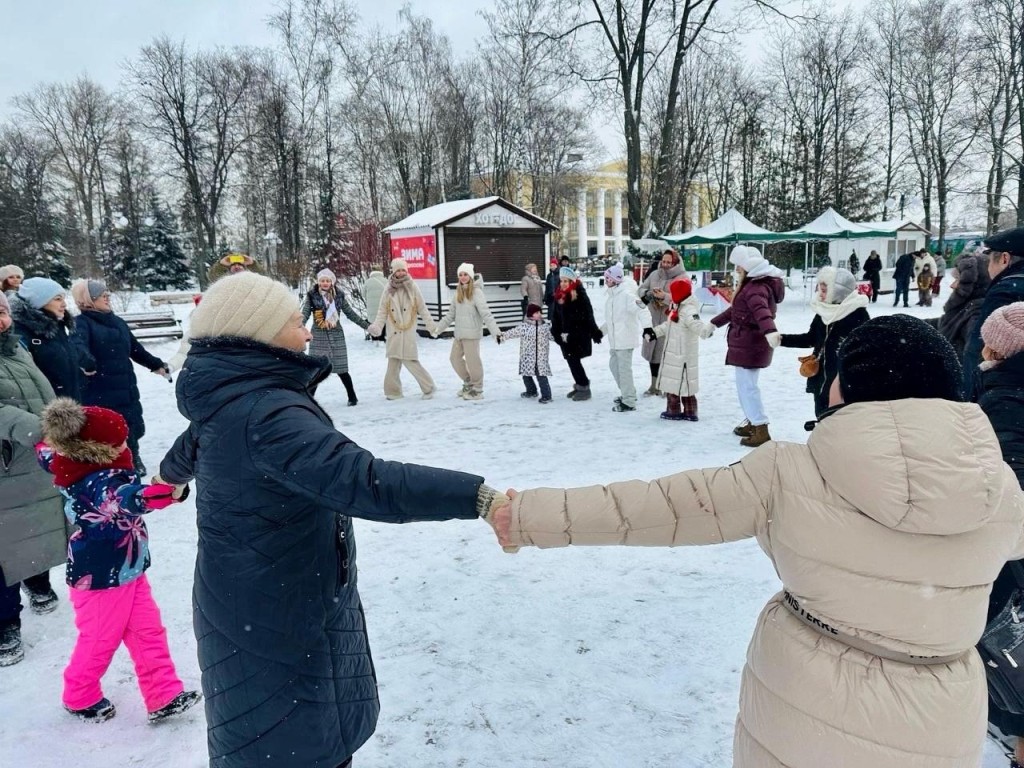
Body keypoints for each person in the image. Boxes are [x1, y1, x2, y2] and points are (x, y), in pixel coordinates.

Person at [492, 314, 1024, 768]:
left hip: (810, 711)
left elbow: (657, 508)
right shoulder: (997, 488)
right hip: (940, 715)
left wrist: (527, 515)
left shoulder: (789, 471)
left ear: (852, 387)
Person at [156, 271, 507, 768]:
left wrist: (170, 478)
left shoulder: (229, 398)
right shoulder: (268, 412)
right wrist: (478, 497)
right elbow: (363, 481)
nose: (305, 332)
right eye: (294, 322)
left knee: (265, 739)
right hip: (282, 613)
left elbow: (189, 447)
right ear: (257, 334)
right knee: (298, 745)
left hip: (243, 599)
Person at [35, 398, 200, 723]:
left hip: (129, 569)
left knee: (148, 631)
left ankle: (163, 693)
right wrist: (166, 492)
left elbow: (47, 454)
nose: (126, 443)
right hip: (97, 578)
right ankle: (78, 695)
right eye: (120, 440)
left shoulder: (68, 459)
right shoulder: (97, 482)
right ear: (98, 449)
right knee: (99, 639)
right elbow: (126, 500)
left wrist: (50, 444)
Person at [0, 291, 66, 665]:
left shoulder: (16, 349)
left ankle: (37, 581)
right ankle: (5, 624)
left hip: (30, 458)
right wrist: (37, 427)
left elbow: (40, 392)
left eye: (3, 312)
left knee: (34, 525)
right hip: (8, 460)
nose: (1, 320)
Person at [972, 303, 1024, 768]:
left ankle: (1017, 735)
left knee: (1006, 636)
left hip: (1012, 545)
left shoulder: (1005, 395)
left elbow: (1008, 481)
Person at [70, 279, 170, 475]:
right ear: (88, 299)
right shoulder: (81, 323)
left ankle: (133, 456)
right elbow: (77, 346)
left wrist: (156, 364)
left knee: (130, 421)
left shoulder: (117, 322)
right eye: (102, 295)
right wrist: (86, 362)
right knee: (107, 426)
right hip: (99, 387)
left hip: (125, 383)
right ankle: (109, 464)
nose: (107, 298)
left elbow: (135, 349)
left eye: (108, 294)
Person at [774, 267, 870, 428]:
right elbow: (811, 339)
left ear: (838, 291)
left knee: (841, 423)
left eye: (825, 290)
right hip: (820, 378)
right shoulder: (823, 312)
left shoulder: (858, 315)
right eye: (820, 289)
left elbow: (865, 351)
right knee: (822, 416)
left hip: (844, 380)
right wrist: (781, 340)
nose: (820, 294)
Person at [711, 246, 785, 448]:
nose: (736, 270)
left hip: (752, 343)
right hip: (746, 342)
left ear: (748, 267)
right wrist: (713, 323)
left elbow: (762, 313)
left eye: (738, 266)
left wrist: (770, 332)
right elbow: (735, 311)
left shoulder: (755, 288)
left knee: (748, 387)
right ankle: (752, 421)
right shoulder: (751, 285)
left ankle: (760, 427)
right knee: (744, 386)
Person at [644, 277, 715, 421]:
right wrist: (654, 332)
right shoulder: (677, 307)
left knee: (685, 382)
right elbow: (668, 325)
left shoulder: (688, 310)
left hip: (683, 355)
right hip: (673, 353)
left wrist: (706, 330)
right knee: (672, 382)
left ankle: (690, 411)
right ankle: (673, 409)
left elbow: (697, 325)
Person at [367, 258, 439, 400]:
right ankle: (393, 392)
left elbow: (422, 308)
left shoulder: (413, 287)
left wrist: (431, 326)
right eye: (398, 270)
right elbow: (382, 311)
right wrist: (377, 327)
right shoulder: (388, 289)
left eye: (403, 270)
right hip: (394, 330)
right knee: (393, 361)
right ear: (393, 272)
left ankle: (429, 387)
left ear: (407, 271)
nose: (400, 273)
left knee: (410, 359)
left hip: (408, 329)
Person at [964, 227, 1024, 396]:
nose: (988, 267)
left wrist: (972, 395)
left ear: (1004, 259)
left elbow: (983, 350)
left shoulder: (1006, 290)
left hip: (1002, 398)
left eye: (990, 260)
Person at [432, 263, 501, 400]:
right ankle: (468, 382)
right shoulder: (458, 292)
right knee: (454, 359)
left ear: (470, 276)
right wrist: (438, 328)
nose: (463, 277)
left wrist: (496, 332)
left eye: (465, 274)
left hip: (472, 334)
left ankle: (478, 389)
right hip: (459, 334)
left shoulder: (476, 292)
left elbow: (486, 314)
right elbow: (450, 315)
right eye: (461, 275)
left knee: (473, 362)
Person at [302, 268, 368, 406]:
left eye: (327, 280)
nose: (325, 283)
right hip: (319, 335)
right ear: (318, 282)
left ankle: (352, 397)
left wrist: (367, 326)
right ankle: (309, 400)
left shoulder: (339, 296)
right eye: (322, 281)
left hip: (336, 335)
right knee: (317, 369)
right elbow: (305, 314)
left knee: (341, 368)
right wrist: (296, 328)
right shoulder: (312, 296)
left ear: (332, 282)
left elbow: (350, 314)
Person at [10, 277, 82, 401]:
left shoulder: (57, 326)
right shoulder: (19, 332)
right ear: (39, 302)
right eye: (58, 299)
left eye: (63, 298)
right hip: (46, 411)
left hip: (69, 405)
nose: (64, 304)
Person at [637, 249, 687, 396]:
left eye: (668, 262)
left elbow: (683, 299)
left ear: (675, 263)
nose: (665, 264)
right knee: (653, 354)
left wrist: (664, 296)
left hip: (670, 321)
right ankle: (654, 385)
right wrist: (648, 294)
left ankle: (668, 387)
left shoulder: (681, 278)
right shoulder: (654, 274)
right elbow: (641, 288)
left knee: (667, 355)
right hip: (652, 320)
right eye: (663, 261)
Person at [551, 266, 602, 401]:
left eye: (566, 281)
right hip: (565, 336)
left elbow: (589, 315)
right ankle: (580, 385)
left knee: (574, 361)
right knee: (571, 361)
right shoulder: (559, 295)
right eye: (561, 281)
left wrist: (594, 331)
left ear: (572, 282)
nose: (562, 283)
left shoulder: (579, 295)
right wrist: (556, 332)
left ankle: (584, 386)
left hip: (578, 335)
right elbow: (555, 316)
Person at [601, 263, 644, 412]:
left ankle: (629, 401)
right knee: (614, 366)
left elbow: (640, 309)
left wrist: (648, 328)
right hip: (615, 341)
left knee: (624, 370)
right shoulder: (612, 296)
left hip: (625, 339)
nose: (605, 280)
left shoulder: (626, 295)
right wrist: (601, 332)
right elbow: (612, 320)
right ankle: (628, 393)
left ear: (615, 280)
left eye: (608, 278)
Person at [938, 248, 991, 360]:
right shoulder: (966, 308)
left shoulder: (976, 314)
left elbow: (973, 358)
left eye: (957, 279)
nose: (952, 285)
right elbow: (945, 323)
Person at [500, 303, 554, 403]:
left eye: (540, 312)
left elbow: (554, 337)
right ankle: (531, 391)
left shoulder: (545, 327)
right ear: (530, 315)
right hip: (527, 357)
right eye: (537, 312)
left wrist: (563, 339)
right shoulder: (524, 327)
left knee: (541, 376)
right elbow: (512, 332)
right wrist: (502, 336)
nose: (540, 314)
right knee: (526, 375)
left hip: (540, 357)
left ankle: (547, 395)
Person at [362, 268, 387, 340]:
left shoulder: (367, 282)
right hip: (383, 306)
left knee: (373, 321)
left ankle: (375, 338)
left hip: (371, 307)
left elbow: (363, 294)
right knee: (382, 320)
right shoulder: (386, 281)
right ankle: (383, 337)